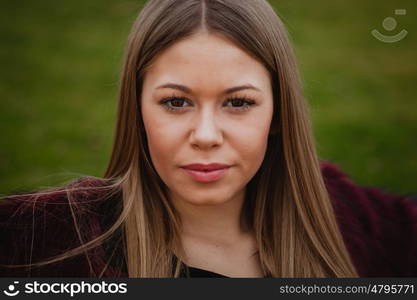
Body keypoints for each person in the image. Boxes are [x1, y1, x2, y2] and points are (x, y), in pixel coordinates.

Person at [1, 0, 416, 278]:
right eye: (176, 102)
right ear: (137, 108)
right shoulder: (44, 238)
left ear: (277, 112)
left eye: (238, 102)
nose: (205, 136)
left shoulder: (352, 222)